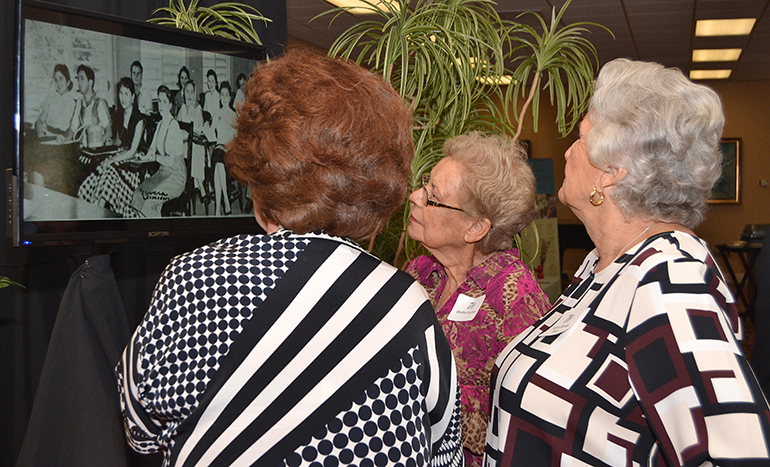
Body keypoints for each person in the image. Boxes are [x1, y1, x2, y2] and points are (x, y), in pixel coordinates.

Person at [117, 47, 464, 467]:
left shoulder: (195, 278)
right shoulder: (407, 306)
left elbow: (140, 428)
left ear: (259, 176)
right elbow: (444, 450)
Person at [485, 58, 770, 466]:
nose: (567, 151)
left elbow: (737, 453)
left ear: (612, 172)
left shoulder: (670, 278)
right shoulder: (605, 264)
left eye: (580, 139)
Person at [405, 131, 551, 466]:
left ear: (475, 228)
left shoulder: (515, 298)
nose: (414, 196)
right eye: (425, 184)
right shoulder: (421, 272)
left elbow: (523, 419)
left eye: (432, 196)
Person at [78, 77, 147, 216]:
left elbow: (133, 151)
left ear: (133, 97)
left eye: (127, 94)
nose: (123, 98)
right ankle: (93, 205)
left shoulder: (139, 119)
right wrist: (111, 142)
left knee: (110, 169)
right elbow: (120, 141)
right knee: (100, 167)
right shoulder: (120, 115)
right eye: (121, 93)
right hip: (122, 157)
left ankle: (98, 209)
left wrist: (112, 159)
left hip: (134, 165)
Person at [128, 85, 186, 218]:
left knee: (149, 200)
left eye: (164, 102)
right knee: (138, 193)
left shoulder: (174, 126)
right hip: (162, 173)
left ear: (170, 105)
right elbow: (152, 150)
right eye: (159, 101)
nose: (161, 105)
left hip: (176, 177)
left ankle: (153, 231)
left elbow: (171, 161)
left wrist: (154, 157)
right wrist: (143, 156)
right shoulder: (159, 124)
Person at [67, 64, 111, 148]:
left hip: (96, 151)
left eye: (82, 79)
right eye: (78, 79)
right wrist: (63, 138)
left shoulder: (99, 103)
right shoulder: (79, 104)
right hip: (83, 150)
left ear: (90, 82)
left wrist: (97, 142)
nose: (79, 82)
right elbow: (72, 129)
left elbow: (109, 131)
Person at [176, 79, 206, 199]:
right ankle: (200, 184)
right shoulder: (182, 109)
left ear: (195, 94)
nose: (189, 94)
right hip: (183, 144)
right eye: (187, 91)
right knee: (190, 150)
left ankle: (198, 183)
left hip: (196, 144)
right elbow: (176, 129)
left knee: (195, 150)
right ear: (184, 93)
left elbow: (200, 130)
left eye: (192, 92)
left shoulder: (198, 109)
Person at [211, 81, 237, 215]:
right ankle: (225, 202)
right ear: (220, 97)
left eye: (227, 95)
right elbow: (211, 133)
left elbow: (237, 138)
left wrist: (228, 146)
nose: (224, 97)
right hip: (218, 148)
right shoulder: (217, 113)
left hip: (229, 151)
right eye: (222, 95)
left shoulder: (233, 115)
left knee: (218, 164)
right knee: (217, 164)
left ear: (230, 97)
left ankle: (217, 208)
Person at [34, 64, 77, 138]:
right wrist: (39, 126)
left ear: (68, 82)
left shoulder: (73, 101)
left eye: (61, 79)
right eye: (56, 80)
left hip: (63, 136)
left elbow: (73, 127)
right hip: (48, 134)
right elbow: (40, 120)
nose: (58, 83)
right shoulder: (51, 98)